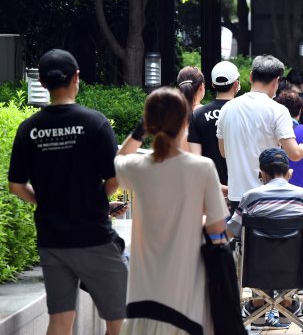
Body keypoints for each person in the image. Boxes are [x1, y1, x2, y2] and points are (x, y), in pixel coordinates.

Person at [8, 49, 127, 335]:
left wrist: (46, 200)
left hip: (53, 239)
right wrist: (97, 197)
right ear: (76, 78)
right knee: (119, 320)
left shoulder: (29, 129)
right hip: (94, 236)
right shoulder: (95, 123)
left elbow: (15, 186)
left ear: (44, 84)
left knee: (60, 321)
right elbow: (115, 179)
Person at [115, 87, 228, 335]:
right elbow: (217, 228)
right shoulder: (202, 168)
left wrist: (139, 131)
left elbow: (118, 160)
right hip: (186, 292)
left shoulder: (138, 166)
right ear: (185, 121)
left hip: (142, 294)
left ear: (150, 124)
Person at [227, 148, 303, 329]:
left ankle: (257, 305)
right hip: (294, 269)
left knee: (245, 248)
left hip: (255, 270)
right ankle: (287, 303)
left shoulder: (250, 197)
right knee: (302, 249)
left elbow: (231, 231)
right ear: (289, 173)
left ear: (262, 173)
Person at [217, 55, 303, 213]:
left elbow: (223, 151)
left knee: (242, 237)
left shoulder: (227, 108)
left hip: (237, 195)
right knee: (266, 237)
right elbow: (294, 154)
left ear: (250, 76)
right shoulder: (278, 110)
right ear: (277, 81)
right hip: (267, 195)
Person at [188, 61, 240, 195]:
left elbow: (195, 160)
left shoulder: (198, 115)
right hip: (241, 188)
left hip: (210, 189)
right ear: (236, 84)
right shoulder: (244, 113)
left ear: (212, 84)